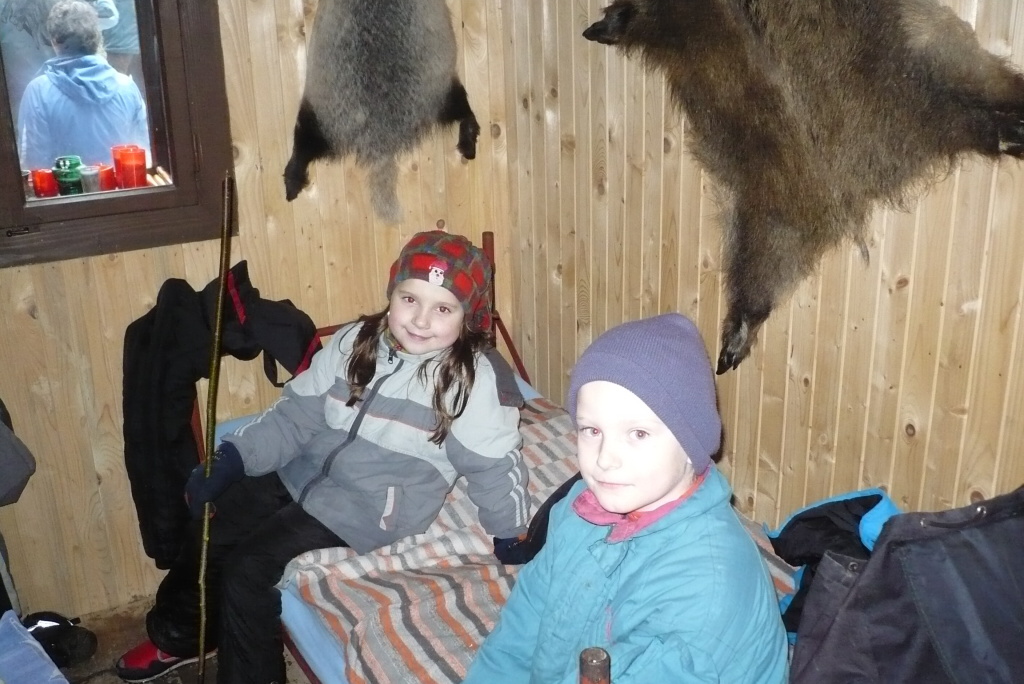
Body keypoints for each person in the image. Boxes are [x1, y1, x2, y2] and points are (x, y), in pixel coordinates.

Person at [115, 230, 531, 684]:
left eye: (443, 309)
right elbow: (296, 414)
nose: (420, 320)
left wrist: (510, 533)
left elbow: (493, 464)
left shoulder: (472, 380)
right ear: (392, 292)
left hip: (367, 507)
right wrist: (233, 456)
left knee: (247, 571)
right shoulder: (356, 340)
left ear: (468, 318)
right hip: (301, 468)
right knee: (212, 522)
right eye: (410, 299)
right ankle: (179, 636)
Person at [463, 313, 789, 683]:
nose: (605, 459)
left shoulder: (705, 590)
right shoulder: (580, 508)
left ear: (691, 444)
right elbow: (525, 621)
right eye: (591, 430)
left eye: (638, 433)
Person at [16, 0, 148, 171]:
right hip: (122, 186)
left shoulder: (38, 91)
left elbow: (34, 164)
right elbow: (145, 155)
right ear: (98, 38)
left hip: (64, 187)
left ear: (54, 41)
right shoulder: (127, 87)